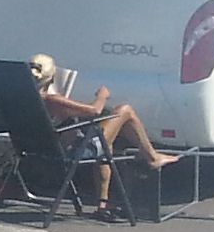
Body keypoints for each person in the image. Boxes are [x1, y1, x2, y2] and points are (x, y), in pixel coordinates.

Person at [30, 53, 173, 212]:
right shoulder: (52, 99)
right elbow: (95, 111)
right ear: (52, 78)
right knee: (125, 111)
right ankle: (152, 157)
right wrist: (102, 95)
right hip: (75, 153)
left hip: (40, 153)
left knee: (105, 142)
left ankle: (103, 205)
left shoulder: (27, 100)